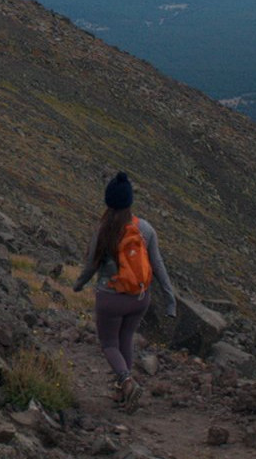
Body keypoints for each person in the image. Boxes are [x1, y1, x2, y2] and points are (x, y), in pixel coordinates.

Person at [73, 171, 177, 412]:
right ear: (129, 201)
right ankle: (123, 393)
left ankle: (127, 382)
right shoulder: (145, 229)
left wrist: (78, 285)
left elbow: (91, 266)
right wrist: (170, 299)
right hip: (139, 299)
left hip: (111, 298)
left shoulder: (104, 230)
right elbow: (158, 266)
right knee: (126, 339)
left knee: (109, 344)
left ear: (109, 201)